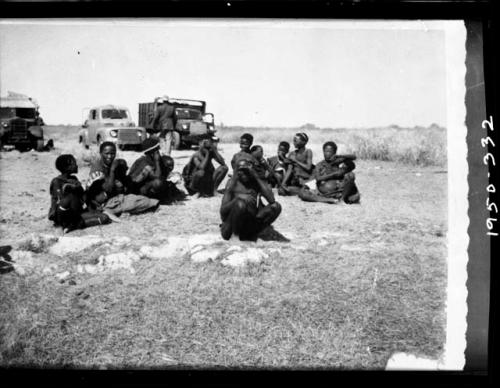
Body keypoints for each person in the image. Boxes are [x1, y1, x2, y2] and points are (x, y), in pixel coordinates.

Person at [87, 141, 160, 218]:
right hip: (104, 202)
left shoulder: (112, 163)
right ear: (101, 153)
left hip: (115, 196)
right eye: (107, 153)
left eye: (112, 153)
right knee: (139, 202)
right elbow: (108, 189)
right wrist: (112, 170)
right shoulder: (97, 168)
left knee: (142, 200)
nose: (110, 156)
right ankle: (113, 211)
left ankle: (121, 209)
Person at [220, 159, 282, 241]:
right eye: (241, 170)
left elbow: (271, 200)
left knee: (276, 207)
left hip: (249, 224)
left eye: (247, 170)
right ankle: (235, 236)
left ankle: (253, 233)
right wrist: (237, 199)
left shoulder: (255, 183)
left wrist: (256, 176)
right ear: (237, 172)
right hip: (231, 226)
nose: (244, 173)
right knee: (240, 204)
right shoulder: (232, 184)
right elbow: (223, 212)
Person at [49, 154, 110, 233]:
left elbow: (83, 197)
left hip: (76, 214)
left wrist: (86, 190)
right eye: (75, 163)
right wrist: (71, 189)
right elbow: (59, 202)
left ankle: (74, 225)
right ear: (68, 167)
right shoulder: (57, 181)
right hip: (64, 215)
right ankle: (61, 225)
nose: (77, 166)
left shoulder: (74, 179)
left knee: (104, 218)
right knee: (70, 198)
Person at [127, 138, 185, 204]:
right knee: (158, 183)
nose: (159, 153)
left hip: (144, 186)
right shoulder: (144, 163)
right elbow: (157, 177)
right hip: (136, 190)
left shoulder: (150, 160)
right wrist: (157, 161)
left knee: (166, 184)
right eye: (157, 151)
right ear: (152, 153)